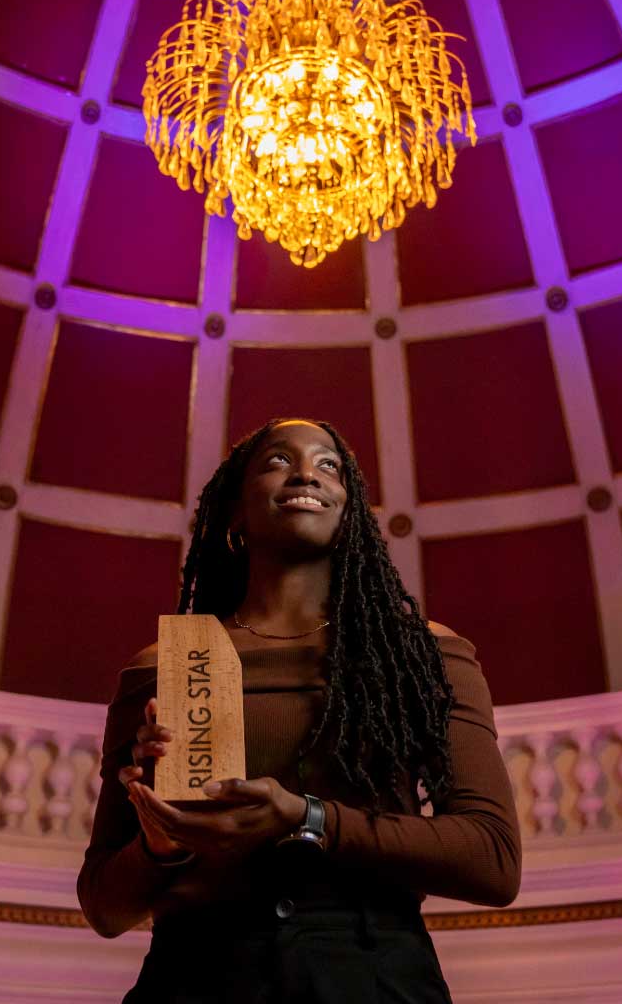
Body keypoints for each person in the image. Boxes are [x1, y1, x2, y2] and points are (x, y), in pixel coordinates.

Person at [77, 417, 521, 1002]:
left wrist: (308, 820)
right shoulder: (166, 663)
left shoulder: (424, 653)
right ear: (235, 512)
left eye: (329, 464)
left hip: (370, 976)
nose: (307, 471)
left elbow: (493, 859)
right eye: (278, 460)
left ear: (350, 509)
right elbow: (106, 907)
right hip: (195, 976)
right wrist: (162, 845)